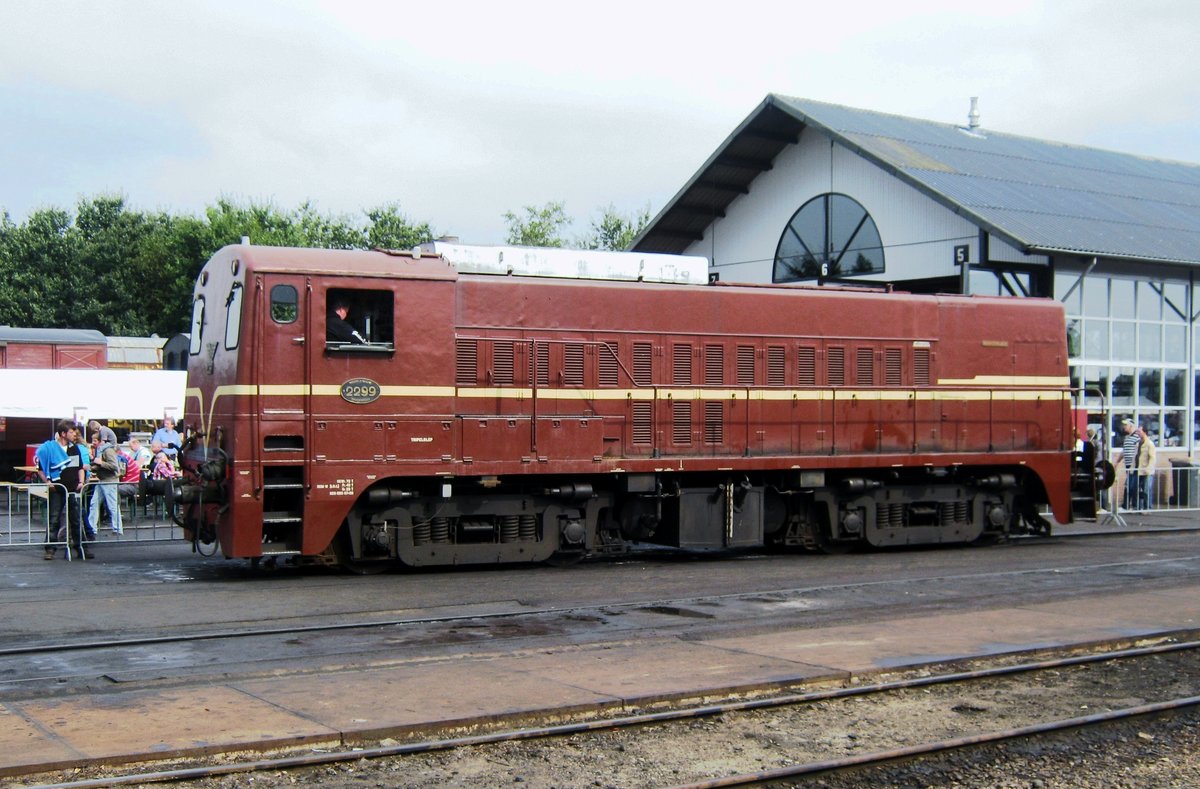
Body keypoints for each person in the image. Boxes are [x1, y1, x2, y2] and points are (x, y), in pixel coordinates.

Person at [34, 421, 91, 560]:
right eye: (71, 432)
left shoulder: (74, 448)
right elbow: (41, 469)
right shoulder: (50, 449)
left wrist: (81, 482)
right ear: (63, 434)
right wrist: (47, 482)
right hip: (57, 488)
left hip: (72, 488)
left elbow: (79, 468)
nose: (75, 435)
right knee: (54, 518)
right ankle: (50, 549)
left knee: (76, 518)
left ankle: (80, 547)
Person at [87, 430, 123, 537]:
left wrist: (100, 463)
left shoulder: (108, 451)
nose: (93, 443)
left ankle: (118, 529)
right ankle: (91, 529)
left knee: (112, 506)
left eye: (94, 441)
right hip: (103, 480)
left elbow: (114, 466)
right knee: (94, 504)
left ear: (100, 441)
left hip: (110, 481)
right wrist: (92, 466)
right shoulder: (100, 450)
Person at [1119, 418, 1141, 511]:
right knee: (1129, 484)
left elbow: (1137, 451)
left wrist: (1133, 463)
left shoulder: (1137, 437)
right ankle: (1129, 505)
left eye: (1126, 425)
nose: (1124, 427)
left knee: (1131, 485)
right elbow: (1124, 451)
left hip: (1133, 465)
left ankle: (1129, 505)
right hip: (1128, 465)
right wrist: (1117, 461)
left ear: (1131, 426)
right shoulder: (1127, 438)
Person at [1136, 424, 1157, 511]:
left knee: (1146, 490)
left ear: (1144, 432)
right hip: (1140, 470)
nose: (1138, 433)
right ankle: (1142, 507)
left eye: (1139, 431)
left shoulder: (1150, 444)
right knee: (1141, 490)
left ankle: (1147, 507)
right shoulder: (1140, 443)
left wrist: (1148, 468)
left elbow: (1152, 457)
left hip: (1147, 471)